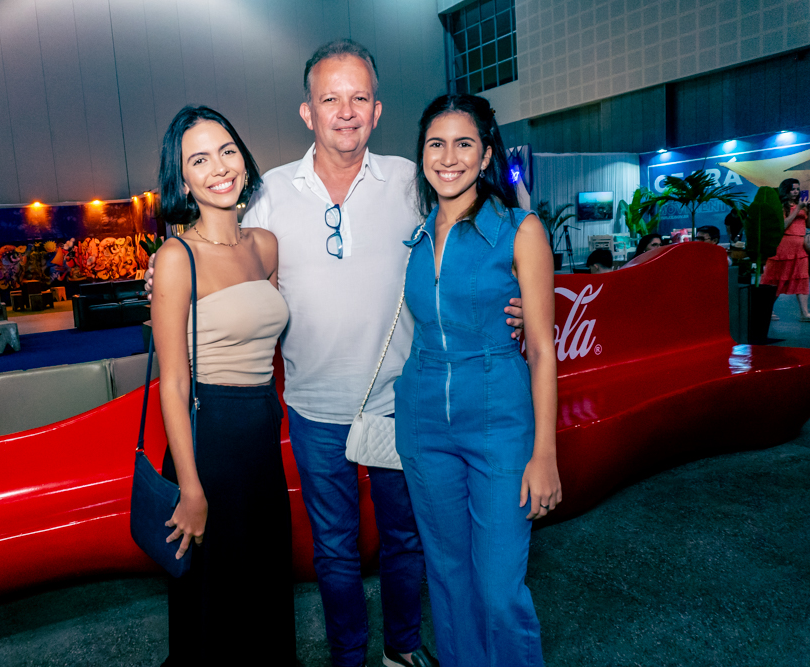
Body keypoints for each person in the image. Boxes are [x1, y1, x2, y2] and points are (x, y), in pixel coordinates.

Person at [148, 40, 525, 667]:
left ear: (377, 111)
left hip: (402, 405)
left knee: (407, 541)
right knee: (334, 549)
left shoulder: (414, 180)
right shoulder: (267, 194)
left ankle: (401, 651)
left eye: (359, 98)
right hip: (311, 409)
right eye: (330, 99)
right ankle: (348, 658)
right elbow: (214, 250)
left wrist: (518, 302)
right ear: (307, 112)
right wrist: (163, 278)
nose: (345, 112)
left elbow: (484, 243)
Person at [394, 93, 560, 667]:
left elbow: (541, 348)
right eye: (435, 144)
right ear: (421, 154)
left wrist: (545, 453)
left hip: (499, 423)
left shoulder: (521, 230)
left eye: (464, 143)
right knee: (447, 579)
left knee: (497, 588)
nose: (448, 157)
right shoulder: (415, 239)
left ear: (487, 154)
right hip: (423, 426)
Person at [149, 105, 298, 666]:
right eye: (199, 159)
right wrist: (189, 487)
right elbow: (172, 382)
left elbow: (268, 330)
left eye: (227, 150)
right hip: (207, 438)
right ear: (182, 178)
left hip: (261, 433)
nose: (219, 167)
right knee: (216, 590)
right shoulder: (174, 257)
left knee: (262, 577)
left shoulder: (265, 245)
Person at [760, 178, 810, 322]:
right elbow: (782, 226)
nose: (796, 192)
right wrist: (798, 209)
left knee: (802, 278)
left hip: (800, 247)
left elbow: (808, 225)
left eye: (797, 189)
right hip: (784, 247)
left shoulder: (802, 206)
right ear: (786, 190)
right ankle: (766, 309)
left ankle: (804, 313)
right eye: (793, 189)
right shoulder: (781, 206)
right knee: (776, 279)